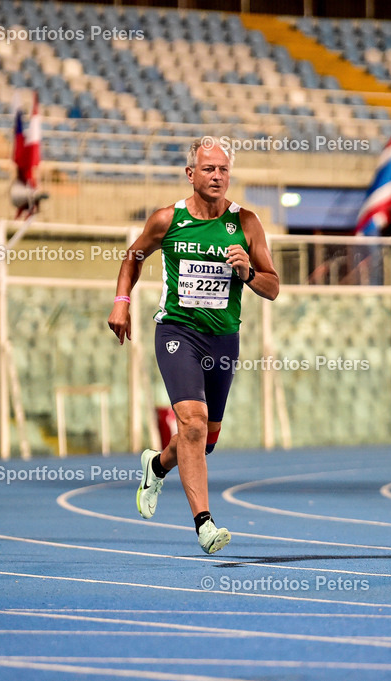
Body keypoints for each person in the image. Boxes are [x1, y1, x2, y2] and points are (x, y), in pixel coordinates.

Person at [108, 136, 279, 554]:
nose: (217, 176)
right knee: (193, 423)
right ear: (191, 174)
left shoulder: (247, 223)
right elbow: (133, 256)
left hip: (223, 339)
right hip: (177, 332)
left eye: (223, 169)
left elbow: (272, 287)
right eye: (208, 169)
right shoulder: (168, 219)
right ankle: (204, 523)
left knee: (205, 440)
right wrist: (121, 302)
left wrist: (246, 274)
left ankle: (156, 464)